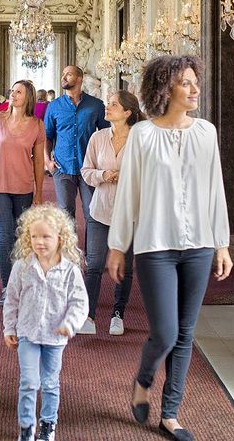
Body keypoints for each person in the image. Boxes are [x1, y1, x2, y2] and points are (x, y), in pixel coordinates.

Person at [107, 55, 232, 441]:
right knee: (164, 332)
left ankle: (171, 413)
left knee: (186, 332)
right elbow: (129, 193)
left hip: (198, 244)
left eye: (196, 82)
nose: (195, 90)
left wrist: (222, 243)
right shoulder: (143, 135)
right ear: (165, 89)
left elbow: (216, 190)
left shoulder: (206, 132)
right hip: (154, 244)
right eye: (186, 83)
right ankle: (143, 380)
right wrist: (117, 246)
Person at [3, 205, 89, 441]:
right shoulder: (22, 266)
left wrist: (70, 325)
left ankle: (48, 424)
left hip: (55, 337)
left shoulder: (70, 270)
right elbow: (11, 299)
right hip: (27, 334)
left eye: (46, 236)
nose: (39, 242)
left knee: (50, 383)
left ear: (60, 238)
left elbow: (79, 303)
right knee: (29, 382)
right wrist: (9, 328)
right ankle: (26, 426)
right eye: (34, 236)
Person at [79, 90, 145, 336]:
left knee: (124, 268)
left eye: (113, 104)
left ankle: (118, 314)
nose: (107, 107)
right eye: (108, 103)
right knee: (94, 264)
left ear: (127, 112)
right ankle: (88, 315)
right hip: (100, 210)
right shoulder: (98, 137)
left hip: (129, 213)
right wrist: (103, 175)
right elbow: (86, 170)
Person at [0, 80, 45, 305]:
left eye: (18, 92)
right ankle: (7, 286)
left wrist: (38, 192)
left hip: (24, 186)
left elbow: (38, 162)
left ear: (28, 98)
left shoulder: (36, 124)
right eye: (12, 91)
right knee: (5, 235)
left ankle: (22, 282)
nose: (13, 95)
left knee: (21, 237)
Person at [44, 65, 109, 224]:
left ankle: (92, 250)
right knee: (65, 215)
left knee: (92, 212)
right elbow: (46, 136)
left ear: (80, 79)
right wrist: (47, 161)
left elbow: (106, 134)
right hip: (62, 167)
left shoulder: (96, 105)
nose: (64, 77)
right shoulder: (54, 106)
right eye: (63, 74)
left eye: (69, 74)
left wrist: (102, 162)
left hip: (89, 167)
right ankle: (68, 249)